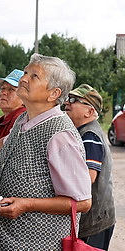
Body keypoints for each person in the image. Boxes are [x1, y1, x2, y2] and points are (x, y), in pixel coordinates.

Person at [0, 53, 92, 250]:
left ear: (53, 94)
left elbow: (83, 202)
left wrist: (27, 204)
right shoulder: (24, 119)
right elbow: (7, 142)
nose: (23, 78)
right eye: (25, 72)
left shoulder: (60, 135)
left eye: (34, 76)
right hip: (6, 241)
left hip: (37, 245)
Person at [64, 84, 116, 250]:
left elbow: (88, 177)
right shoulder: (82, 131)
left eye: (74, 100)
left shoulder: (90, 136)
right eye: (68, 99)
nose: (67, 103)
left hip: (95, 221)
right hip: (95, 218)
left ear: (90, 111)